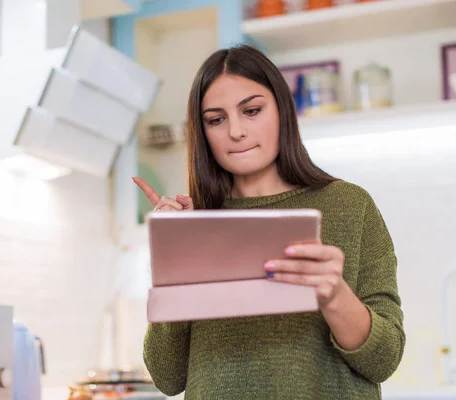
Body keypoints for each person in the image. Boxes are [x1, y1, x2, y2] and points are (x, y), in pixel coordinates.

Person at [133, 44, 405, 400]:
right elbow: (167, 378)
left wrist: (335, 295)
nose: (236, 132)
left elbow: (384, 360)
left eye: (252, 110)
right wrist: (174, 259)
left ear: (282, 110)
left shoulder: (350, 206)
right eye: (216, 119)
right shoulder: (195, 223)